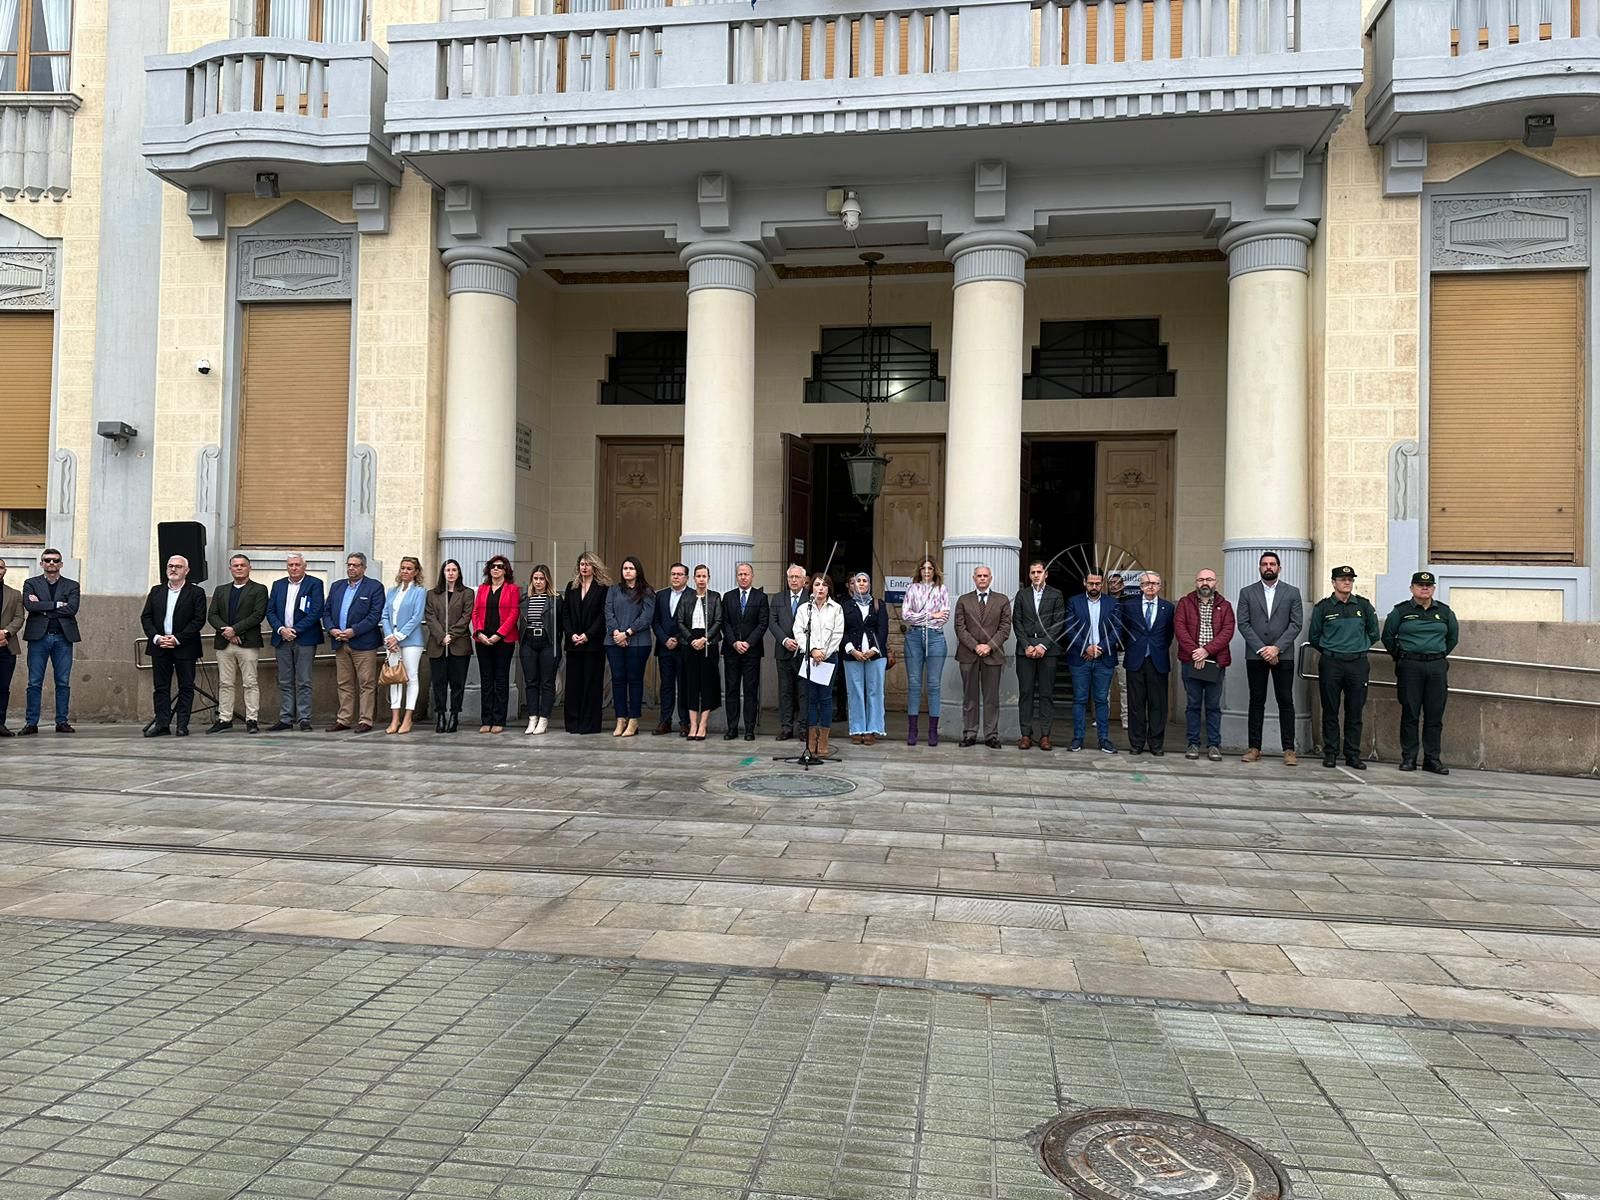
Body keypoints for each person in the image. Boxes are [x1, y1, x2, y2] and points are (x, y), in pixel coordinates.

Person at [1381, 570, 1459, 775]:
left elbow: (1452, 638)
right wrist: (1402, 656)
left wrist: (1437, 655)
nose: (1424, 588)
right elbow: (1388, 637)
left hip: (1436, 666)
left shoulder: (1444, 612)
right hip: (1410, 666)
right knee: (1410, 713)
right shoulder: (1401, 611)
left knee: (1434, 714)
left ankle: (1432, 759)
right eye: (1419, 585)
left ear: (1433, 588)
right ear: (1412, 588)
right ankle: (1409, 757)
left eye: (1428, 585)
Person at [1236, 551, 1304, 766]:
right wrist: (1262, 649)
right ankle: (1254, 747)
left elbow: (1296, 624)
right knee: (1256, 701)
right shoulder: (1247, 592)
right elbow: (1243, 623)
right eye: (1264, 564)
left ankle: (1289, 749)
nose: (1268, 567)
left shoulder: (1292, 592)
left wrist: (1276, 648)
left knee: (1286, 701)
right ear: (1259, 568)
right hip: (1256, 656)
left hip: (1284, 655)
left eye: (1272, 564)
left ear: (1279, 568)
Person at [1308, 565, 1379, 770]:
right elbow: (1314, 636)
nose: (1347, 582)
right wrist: (1332, 650)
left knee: (1354, 710)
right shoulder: (1324, 607)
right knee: (1330, 709)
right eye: (1342, 579)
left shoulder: (1363, 606)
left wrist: (1357, 647)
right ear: (1333, 582)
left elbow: (1374, 633)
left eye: (1350, 579)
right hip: (1332, 663)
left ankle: (1352, 754)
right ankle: (1330, 752)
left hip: (1357, 663)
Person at [139, 555, 208, 738]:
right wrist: (156, 637)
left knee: (186, 686)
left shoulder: (196, 593)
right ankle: (162, 723)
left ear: (187, 570)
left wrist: (177, 639)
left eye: (178, 566)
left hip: (185, 646)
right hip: (159, 646)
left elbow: (198, 620)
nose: (173, 569)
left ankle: (182, 724)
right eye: (170, 566)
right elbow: (146, 617)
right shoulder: (156, 591)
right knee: (161, 687)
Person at [323, 551, 387, 733]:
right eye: (349, 565)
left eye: (356, 565)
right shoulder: (337, 586)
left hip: (364, 643)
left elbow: (375, 615)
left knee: (366, 683)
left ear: (364, 568)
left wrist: (354, 631)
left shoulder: (374, 587)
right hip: (339, 642)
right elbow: (326, 612)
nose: (351, 568)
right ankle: (344, 719)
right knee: (344, 683)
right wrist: (332, 629)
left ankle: (365, 720)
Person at [1175, 568, 1235, 762]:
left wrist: (1206, 651)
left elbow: (1227, 632)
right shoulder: (1185, 603)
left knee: (1213, 706)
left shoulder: (1224, 606)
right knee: (1192, 704)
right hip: (1190, 661)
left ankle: (1213, 745)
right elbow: (1180, 629)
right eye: (1201, 579)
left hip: (1215, 662)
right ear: (1196, 582)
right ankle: (1192, 743)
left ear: (1216, 582)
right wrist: (1196, 653)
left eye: (1209, 579)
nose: (1205, 583)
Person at [206, 554, 268, 734]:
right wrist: (227, 632)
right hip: (225, 643)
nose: (239, 568)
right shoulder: (221, 590)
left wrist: (235, 630)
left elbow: (258, 615)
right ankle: (225, 718)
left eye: (242, 565)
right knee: (225, 683)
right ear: (230, 569)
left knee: (250, 682)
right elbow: (212, 615)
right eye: (235, 565)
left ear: (249, 568)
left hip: (247, 643)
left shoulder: (259, 589)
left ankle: (252, 719)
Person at [20, 548, 79, 735]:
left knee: (63, 682)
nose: (51, 564)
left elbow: (72, 609)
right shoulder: (31, 583)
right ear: (41, 564)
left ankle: (62, 721)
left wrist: (42, 607)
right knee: (34, 682)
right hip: (39, 638)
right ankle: (31, 723)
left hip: (63, 638)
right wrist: (56, 604)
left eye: (55, 560)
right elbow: (29, 605)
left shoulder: (72, 585)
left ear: (61, 564)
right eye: (47, 560)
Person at [953, 566, 1011, 749]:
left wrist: (990, 646)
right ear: (974, 578)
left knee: (991, 698)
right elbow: (959, 627)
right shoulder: (964, 600)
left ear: (991, 578)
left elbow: (1005, 627)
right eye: (979, 576)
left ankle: (991, 735)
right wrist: (975, 646)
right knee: (969, 697)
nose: (982, 579)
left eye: (985, 576)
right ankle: (970, 733)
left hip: (992, 656)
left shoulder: (1002, 600)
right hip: (968, 654)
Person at [1065, 570, 1121, 753]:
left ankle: (1104, 739)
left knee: (1101, 701)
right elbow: (1070, 628)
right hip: (1080, 658)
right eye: (1091, 583)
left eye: (1097, 583)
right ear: (1084, 583)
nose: (1094, 587)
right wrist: (1086, 648)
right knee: (1080, 700)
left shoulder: (1112, 603)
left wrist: (1100, 648)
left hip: (1104, 659)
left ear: (1103, 583)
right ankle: (1077, 738)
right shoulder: (1074, 602)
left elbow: (1117, 629)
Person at [1119, 572, 1175, 756]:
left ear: (1160, 586)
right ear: (1140, 586)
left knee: (1158, 705)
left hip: (1158, 661)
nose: (1151, 586)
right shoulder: (1129, 606)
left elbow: (1168, 635)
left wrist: (1156, 649)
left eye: (1155, 583)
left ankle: (1156, 744)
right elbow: (1124, 632)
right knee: (1136, 704)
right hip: (1136, 660)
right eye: (1146, 583)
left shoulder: (1168, 608)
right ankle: (1136, 743)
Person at [1013, 560, 1066, 751]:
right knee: (1026, 693)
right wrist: (1027, 645)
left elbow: (1058, 622)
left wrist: (1044, 644)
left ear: (1046, 574)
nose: (1036, 575)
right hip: (1025, 650)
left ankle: (1045, 735)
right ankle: (1026, 735)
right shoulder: (1022, 595)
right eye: (1033, 572)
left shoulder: (1056, 594)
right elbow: (1016, 623)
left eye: (1039, 571)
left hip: (1048, 651)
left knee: (1046, 694)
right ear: (1029, 575)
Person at [267, 553, 324, 732]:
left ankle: (304, 718)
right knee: (285, 680)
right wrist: (281, 629)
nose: (294, 568)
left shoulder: (314, 583)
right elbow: (270, 611)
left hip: (305, 638)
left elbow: (316, 611)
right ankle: (285, 718)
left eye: (297, 564)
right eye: (291, 565)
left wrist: (295, 630)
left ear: (304, 566)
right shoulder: (278, 585)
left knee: (304, 680)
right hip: (282, 638)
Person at [793, 571, 843, 759]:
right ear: (810, 587)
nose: (820, 588)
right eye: (816, 585)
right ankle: (811, 739)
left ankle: (824, 740)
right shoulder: (804, 609)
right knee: (811, 698)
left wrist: (824, 653)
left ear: (829, 588)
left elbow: (838, 633)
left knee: (826, 698)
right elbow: (798, 631)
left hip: (829, 658)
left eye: (824, 585)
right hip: (810, 657)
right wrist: (812, 650)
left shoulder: (836, 608)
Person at [900, 556, 949, 748]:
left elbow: (943, 616)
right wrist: (930, 614)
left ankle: (932, 731)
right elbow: (906, 615)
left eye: (930, 568)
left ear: (935, 570)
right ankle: (912, 731)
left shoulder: (941, 589)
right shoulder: (912, 588)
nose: (926, 571)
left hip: (936, 637)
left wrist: (922, 617)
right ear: (919, 571)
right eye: (923, 568)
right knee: (914, 683)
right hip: (913, 637)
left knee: (934, 684)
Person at [605, 556, 654, 738]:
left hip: (638, 643)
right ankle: (620, 718)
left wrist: (627, 633)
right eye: (625, 568)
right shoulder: (613, 590)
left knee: (634, 679)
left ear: (638, 571)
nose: (627, 571)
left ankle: (634, 719)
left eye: (631, 568)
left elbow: (646, 617)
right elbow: (608, 612)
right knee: (618, 679)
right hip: (613, 641)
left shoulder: (647, 592)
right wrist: (617, 633)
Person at [673, 564, 723, 741]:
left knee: (707, 684)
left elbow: (718, 621)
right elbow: (679, 621)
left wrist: (705, 639)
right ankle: (693, 724)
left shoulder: (715, 597)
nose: (701, 579)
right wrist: (690, 639)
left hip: (708, 643)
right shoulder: (686, 597)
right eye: (698, 576)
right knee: (690, 684)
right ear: (693, 578)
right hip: (689, 643)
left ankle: (703, 724)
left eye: (704, 576)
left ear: (709, 578)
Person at [562, 551, 609, 734]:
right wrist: (572, 634)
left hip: (593, 644)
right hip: (573, 643)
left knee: (591, 683)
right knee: (573, 684)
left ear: (594, 567)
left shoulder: (603, 588)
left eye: (588, 564)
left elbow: (602, 615)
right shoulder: (571, 587)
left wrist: (588, 635)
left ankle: (589, 724)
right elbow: (565, 613)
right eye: (582, 564)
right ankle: (573, 723)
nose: (584, 567)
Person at [721, 562, 769, 741]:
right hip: (732, 651)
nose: (743, 577)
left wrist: (748, 643)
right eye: (740, 574)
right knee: (732, 690)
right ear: (736, 576)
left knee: (750, 690)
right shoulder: (728, 597)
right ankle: (732, 728)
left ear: (752, 576)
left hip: (752, 651)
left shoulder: (760, 597)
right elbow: (724, 622)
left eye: (746, 574)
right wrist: (734, 642)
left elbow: (762, 623)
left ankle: (749, 728)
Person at [473, 555, 521, 734]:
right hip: (482, 640)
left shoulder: (513, 589)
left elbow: (514, 614)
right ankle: (486, 720)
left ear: (505, 570)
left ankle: (499, 719)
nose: (496, 569)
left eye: (500, 566)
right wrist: (479, 632)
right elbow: (476, 611)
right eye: (493, 566)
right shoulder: (483, 589)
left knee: (501, 680)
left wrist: (498, 635)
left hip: (504, 641)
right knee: (486, 681)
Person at [425, 558, 472, 734]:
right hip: (437, 646)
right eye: (447, 570)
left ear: (459, 573)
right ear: (443, 573)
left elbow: (466, 616)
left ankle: (454, 715)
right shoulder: (432, 594)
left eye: (454, 570)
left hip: (459, 645)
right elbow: (430, 617)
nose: (451, 573)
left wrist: (451, 635)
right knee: (439, 683)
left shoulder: (467, 593)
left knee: (457, 683)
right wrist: (441, 636)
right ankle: (441, 715)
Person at [381, 556, 427, 735]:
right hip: (392, 641)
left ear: (416, 572)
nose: (405, 571)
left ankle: (408, 717)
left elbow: (416, 617)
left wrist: (399, 636)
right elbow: (385, 615)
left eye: (409, 568)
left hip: (411, 640)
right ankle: (395, 718)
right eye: (403, 568)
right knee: (394, 678)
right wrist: (390, 637)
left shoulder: (420, 591)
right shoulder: (392, 591)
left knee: (411, 677)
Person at [842, 572, 889, 746]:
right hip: (852, 654)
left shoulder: (879, 604)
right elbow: (842, 630)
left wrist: (874, 650)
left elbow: (882, 630)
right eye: (857, 581)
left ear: (869, 584)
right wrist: (851, 649)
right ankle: (857, 728)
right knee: (855, 692)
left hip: (875, 655)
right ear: (852, 585)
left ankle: (873, 729)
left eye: (864, 581)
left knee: (874, 691)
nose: (861, 584)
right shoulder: (846, 606)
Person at [518, 564, 561, 735]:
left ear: (547, 580)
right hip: (528, 642)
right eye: (535, 578)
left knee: (547, 683)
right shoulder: (524, 599)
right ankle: (532, 718)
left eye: (541, 579)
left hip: (548, 643)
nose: (538, 582)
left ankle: (544, 719)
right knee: (531, 682)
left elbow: (560, 625)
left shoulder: (555, 599)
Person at [771, 563, 811, 743]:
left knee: (803, 692)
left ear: (804, 580)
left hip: (803, 653)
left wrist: (801, 642)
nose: (793, 580)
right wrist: (785, 640)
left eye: (797, 577)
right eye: (790, 577)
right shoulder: (778, 598)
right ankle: (786, 727)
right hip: (783, 651)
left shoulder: (810, 599)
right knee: (785, 691)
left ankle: (804, 728)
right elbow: (773, 623)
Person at [652, 563, 690, 736]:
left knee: (684, 685)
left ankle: (685, 723)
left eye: (679, 574)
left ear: (686, 578)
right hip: (664, 648)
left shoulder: (693, 595)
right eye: (673, 574)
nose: (675, 577)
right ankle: (665, 721)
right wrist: (665, 639)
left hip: (684, 648)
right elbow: (655, 621)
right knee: (666, 686)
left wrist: (678, 638)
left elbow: (691, 623)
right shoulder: (660, 595)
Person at [0, 560, 22, 737]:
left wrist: (5, 633)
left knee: (3, 688)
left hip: (6, 648)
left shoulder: (14, 594)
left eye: (0, 567)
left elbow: (19, 618)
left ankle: (0, 723)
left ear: (5, 570)